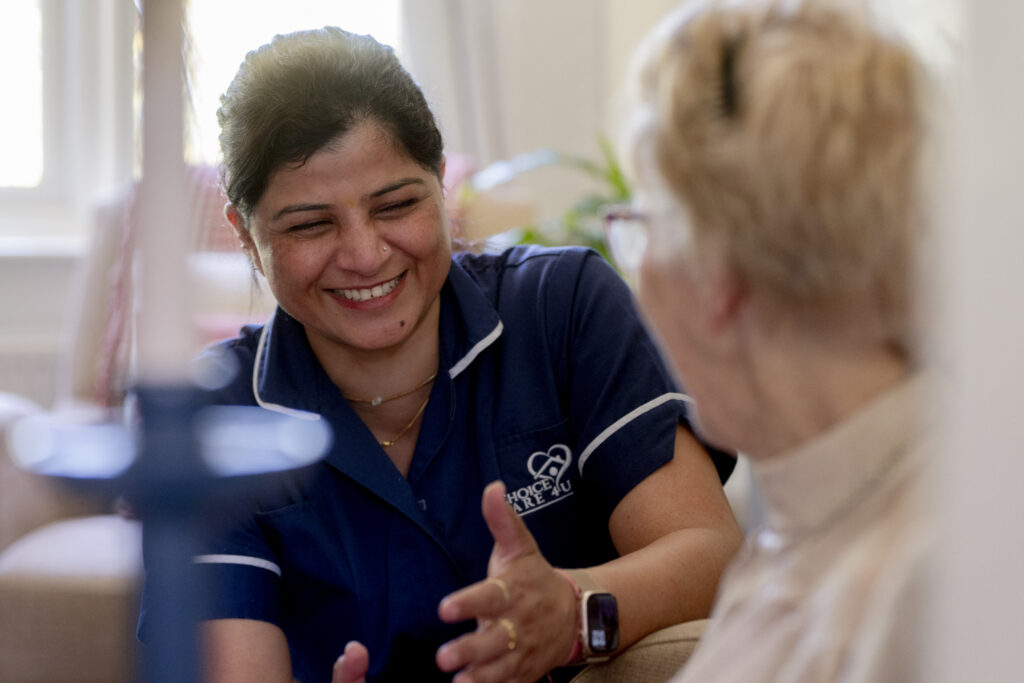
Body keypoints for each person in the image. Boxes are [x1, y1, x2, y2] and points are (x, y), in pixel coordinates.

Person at [136, 27, 743, 683]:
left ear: (441, 187)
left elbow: (710, 552)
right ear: (246, 236)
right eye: (311, 224)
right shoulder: (212, 415)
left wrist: (571, 611)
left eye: (397, 204)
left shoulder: (563, 306)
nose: (365, 254)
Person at [617, 1, 936, 681]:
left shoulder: (907, 594)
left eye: (642, 227)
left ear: (718, 272)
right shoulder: (812, 515)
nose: (640, 278)